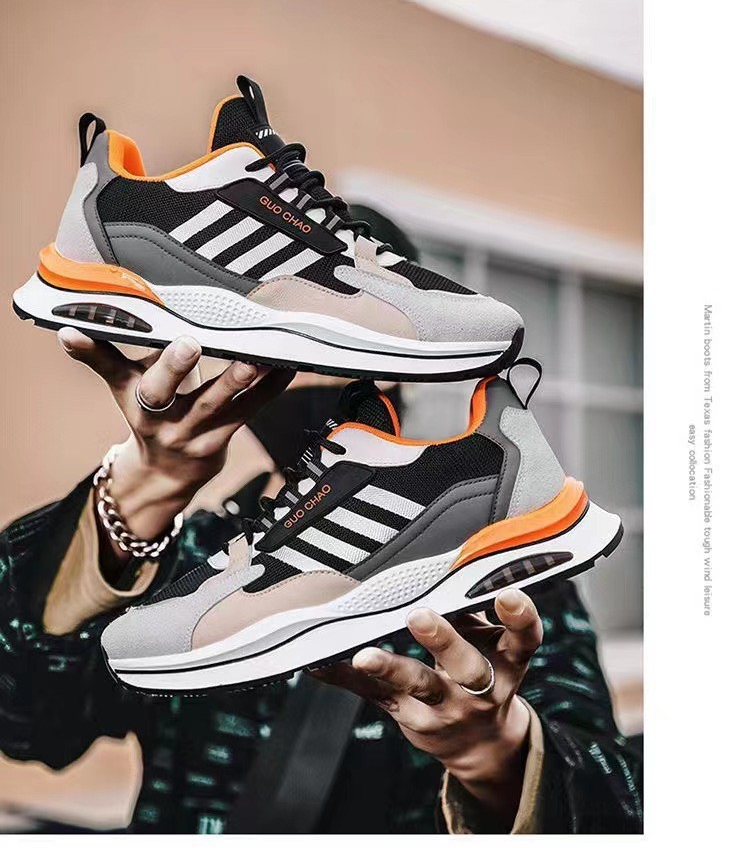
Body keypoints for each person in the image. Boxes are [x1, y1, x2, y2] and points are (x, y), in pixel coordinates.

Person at [0, 211, 642, 835]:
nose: (310, 369)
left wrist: (500, 755)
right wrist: (146, 487)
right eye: (286, 336)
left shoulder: (495, 554)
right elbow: (29, 725)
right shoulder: (190, 551)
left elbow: (620, 804)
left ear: (407, 357)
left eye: (341, 333)